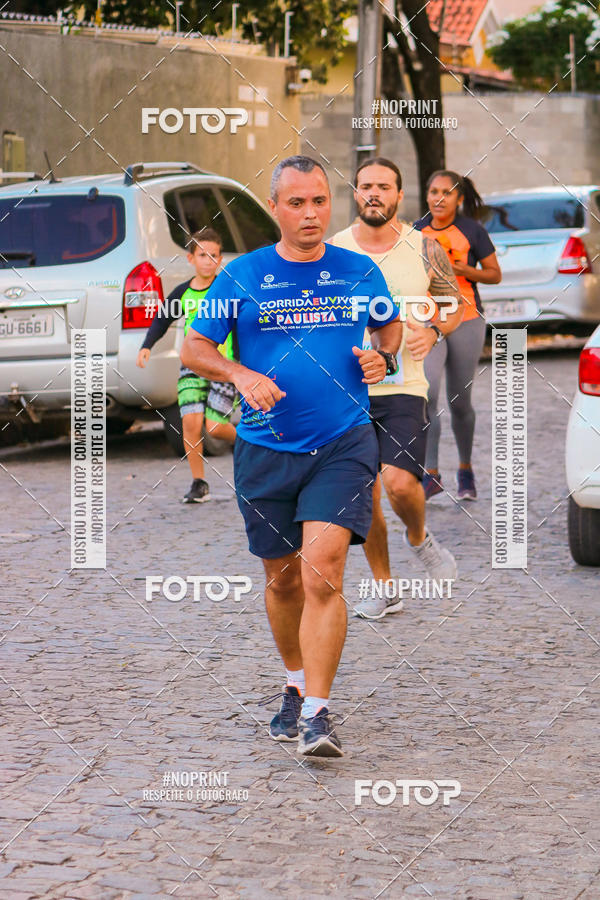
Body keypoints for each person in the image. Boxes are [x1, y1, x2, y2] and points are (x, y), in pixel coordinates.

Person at [181, 156, 401, 757]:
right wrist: (240, 373)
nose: (310, 214)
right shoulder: (243, 275)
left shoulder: (358, 271)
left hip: (343, 442)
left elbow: (388, 327)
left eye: (319, 201)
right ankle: (296, 682)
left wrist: (383, 356)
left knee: (322, 571)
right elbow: (194, 347)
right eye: (297, 203)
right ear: (275, 207)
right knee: (281, 581)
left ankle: (318, 713)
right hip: (265, 448)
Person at [330, 157, 463, 620]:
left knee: (400, 483)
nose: (374, 193)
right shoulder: (333, 249)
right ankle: (385, 587)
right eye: (366, 185)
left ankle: (419, 537)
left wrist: (435, 330)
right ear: (356, 192)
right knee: (363, 493)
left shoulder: (424, 247)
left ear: (399, 195)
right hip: (347, 390)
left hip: (405, 384)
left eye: (384, 186)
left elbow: (454, 304)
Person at [415, 171, 501, 501]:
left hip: (466, 319)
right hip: (428, 321)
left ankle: (465, 470)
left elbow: (494, 275)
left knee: (459, 401)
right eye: (434, 191)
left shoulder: (472, 230)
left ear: (459, 199)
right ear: (427, 195)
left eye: (446, 193)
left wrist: (465, 271)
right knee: (427, 394)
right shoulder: (415, 231)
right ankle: (431, 474)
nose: (439, 198)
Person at [136, 228, 237, 504]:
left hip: (223, 367)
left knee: (215, 428)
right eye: (202, 255)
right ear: (191, 258)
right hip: (192, 365)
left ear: (220, 259)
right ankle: (198, 482)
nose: (208, 261)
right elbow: (161, 319)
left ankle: (244, 440)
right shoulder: (183, 293)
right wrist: (146, 345)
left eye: (214, 255)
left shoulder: (227, 289)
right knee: (190, 423)